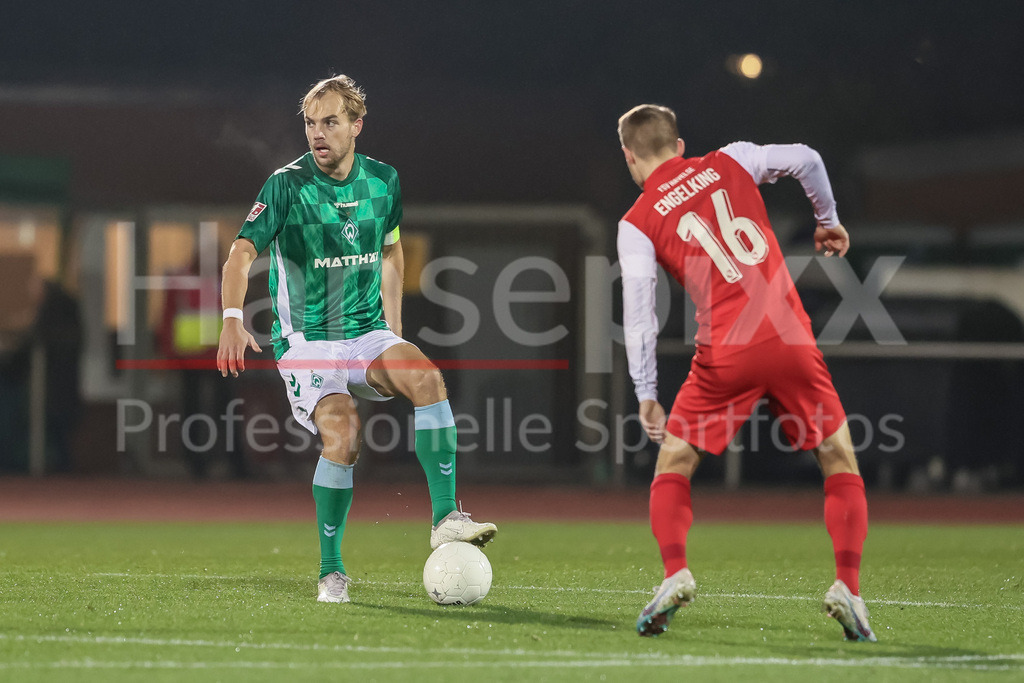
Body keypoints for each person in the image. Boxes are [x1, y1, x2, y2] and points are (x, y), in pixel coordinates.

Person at [217, 75, 496, 604]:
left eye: (330, 121)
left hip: (365, 333)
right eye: (309, 122)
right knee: (343, 432)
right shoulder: (286, 185)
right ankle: (331, 571)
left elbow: (392, 252)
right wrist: (233, 316)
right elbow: (240, 255)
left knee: (428, 378)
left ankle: (444, 518)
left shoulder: (384, 181)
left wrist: (391, 328)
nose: (317, 133)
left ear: (356, 125)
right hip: (306, 343)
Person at [615, 104, 875, 641]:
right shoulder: (730, 160)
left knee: (675, 462)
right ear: (680, 145)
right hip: (789, 338)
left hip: (725, 352)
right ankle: (847, 586)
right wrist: (827, 220)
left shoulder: (637, 221)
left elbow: (640, 314)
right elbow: (807, 158)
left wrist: (646, 390)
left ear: (629, 156)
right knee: (836, 455)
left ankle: (674, 573)